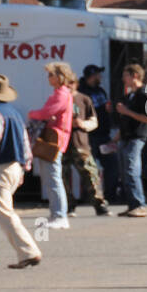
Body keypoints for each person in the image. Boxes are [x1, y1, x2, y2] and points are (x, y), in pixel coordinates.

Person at [0, 74, 43, 268]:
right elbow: (25, 144)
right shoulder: (13, 112)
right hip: (14, 166)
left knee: (2, 210)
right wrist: (24, 168)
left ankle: (29, 251)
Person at [27, 62, 74, 228]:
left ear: (59, 76)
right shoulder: (61, 93)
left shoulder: (61, 93)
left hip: (54, 140)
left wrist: (32, 113)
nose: (48, 78)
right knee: (51, 177)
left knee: (52, 177)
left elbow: (47, 112)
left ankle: (60, 216)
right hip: (54, 139)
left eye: (50, 74)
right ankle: (56, 214)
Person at [112, 63, 147, 217]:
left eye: (126, 75)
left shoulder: (144, 94)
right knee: (125, 172)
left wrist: (126, 111)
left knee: (131, 170)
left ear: (134, 75)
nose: (123, 79)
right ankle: (132, 205)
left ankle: (139, 204)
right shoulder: (131, 95)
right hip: (126, 137)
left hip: (137, 138)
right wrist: (116, 137)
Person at [65, 76, 110, 215]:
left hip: (81, 142)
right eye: (66, 83)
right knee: (62, 176)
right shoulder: (59, 98)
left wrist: (83, 124)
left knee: (90, 174)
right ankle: (68, 204)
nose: (69, 85)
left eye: (71, 82)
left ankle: (99, 204)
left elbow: (94, 121)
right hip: (63, 143)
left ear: (76, 84)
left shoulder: (84, 99)